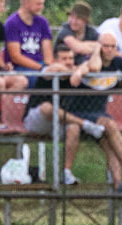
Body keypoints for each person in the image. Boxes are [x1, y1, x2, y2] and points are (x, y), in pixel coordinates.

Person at [66, 40, 122, 192]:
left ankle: (119, 184)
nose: (109, 49)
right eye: (106, 46)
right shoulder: (88, 60)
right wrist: (85, 65)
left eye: (113, 46)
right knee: (110, 125)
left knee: (109, 142)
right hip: (79, 112)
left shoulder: (117, 62)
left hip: (98, 112)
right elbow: (88, 69)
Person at [22, 45, 106, 185]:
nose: (68, 61)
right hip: (37, 119)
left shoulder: (74, 72)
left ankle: (67, 172)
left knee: (74, 128)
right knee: (47, 107)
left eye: (71, 58)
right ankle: (85, 124)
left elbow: (93, 66)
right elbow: (56, 69)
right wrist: (77, 71)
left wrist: (95, 51)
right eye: (64, 58)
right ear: (55, 59)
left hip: (61, 120)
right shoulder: (49, 70)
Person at [4, 0, 53, 88]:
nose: (41, 7)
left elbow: (47, 50)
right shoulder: (12, 23)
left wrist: (48, 67)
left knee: (60, 75)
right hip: (20, 67)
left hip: (40, 64)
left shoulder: (42, 22)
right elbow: (15, 57)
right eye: (38, 4)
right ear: (26, 3)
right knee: (38, 80)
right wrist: (41, 68)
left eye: (42, 4)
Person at [54, 0, 99, 65]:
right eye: (72, 17)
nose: (73, 21)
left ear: (85, 20)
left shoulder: (91, 32)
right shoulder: (65, 30)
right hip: (63, 69)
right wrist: (96, 47)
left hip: (85, 68)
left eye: (78, 18)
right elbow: (77, 48)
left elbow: (104, 47)